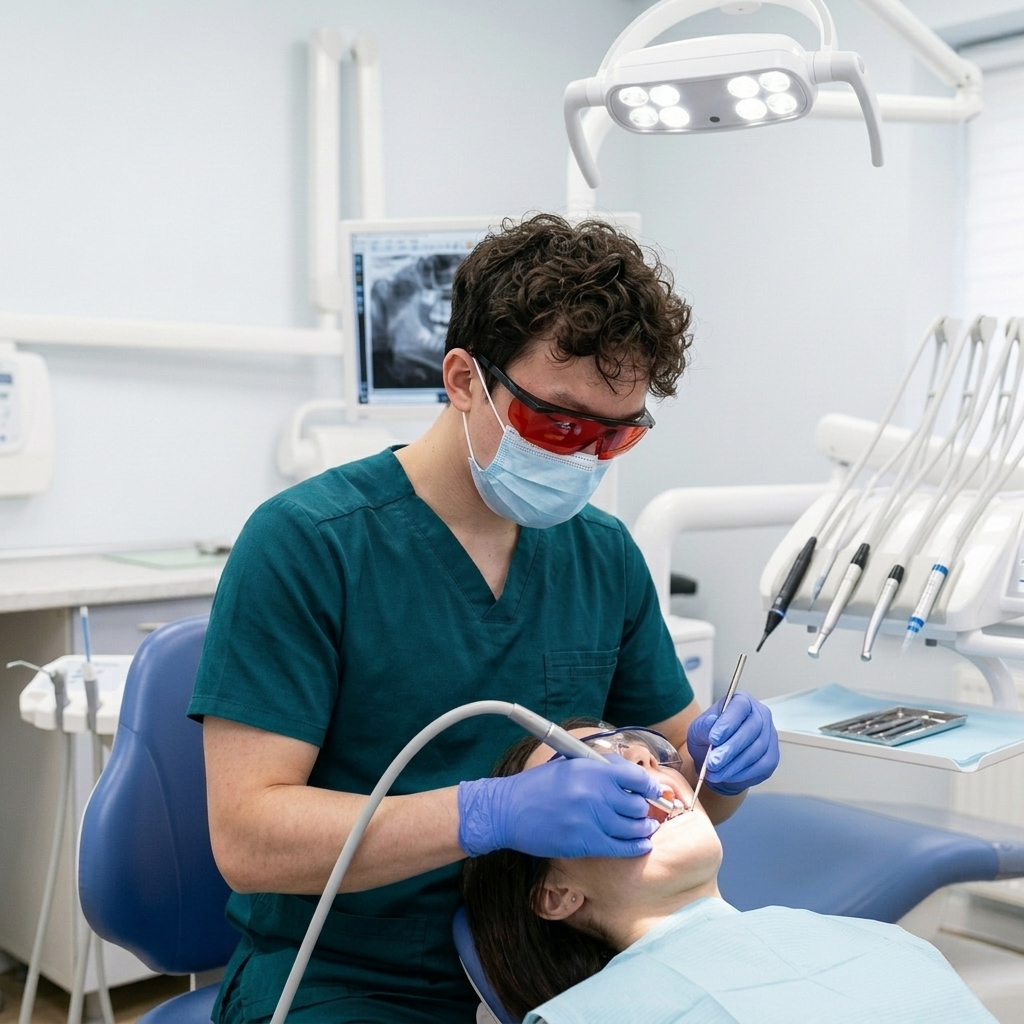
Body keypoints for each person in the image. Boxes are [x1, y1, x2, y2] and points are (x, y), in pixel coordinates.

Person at [187, 214, 781, 1023]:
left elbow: (691, 788)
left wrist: (723, 771)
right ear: (464, 379)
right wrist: (483, 815)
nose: (582, 459)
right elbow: (248, 840)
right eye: (560, 422)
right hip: (351, 975)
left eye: (615, 437)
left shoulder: (600, 554)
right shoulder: (307, 546)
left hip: (573, 966)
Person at [462, 721, 997, 1024]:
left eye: (646, 751)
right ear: (555, 895)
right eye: (588, 772)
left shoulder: (889, 944)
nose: (644, 764)